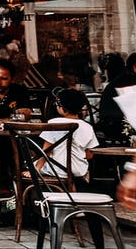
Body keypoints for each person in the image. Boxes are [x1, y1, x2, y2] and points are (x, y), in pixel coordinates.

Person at [36, 88, 104, 248]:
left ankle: (40, 212)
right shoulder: (87, 127)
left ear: (61, 108)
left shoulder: (53, 124)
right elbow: (90, 155)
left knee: (29, 168)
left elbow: (46, 150)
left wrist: (37, 168)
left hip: (56, 171)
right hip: (78, 172)